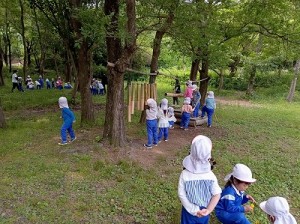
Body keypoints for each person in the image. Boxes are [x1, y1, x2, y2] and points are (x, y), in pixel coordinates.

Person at [178, 135, 221, 224]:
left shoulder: (184, 174)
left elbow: (181, 194)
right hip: (204, 211)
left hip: (188, 211)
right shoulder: (211, 176)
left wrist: (193, 210)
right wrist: (208, 210)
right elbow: (217, 194)